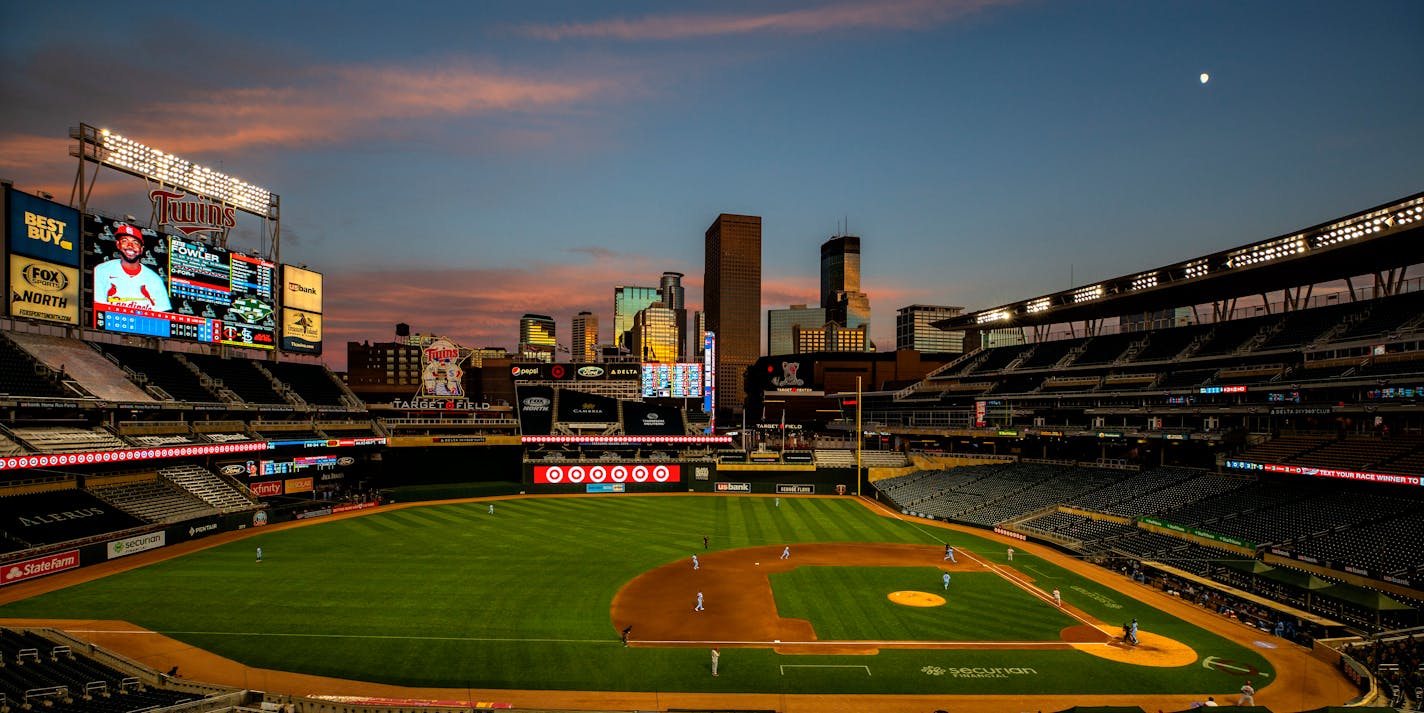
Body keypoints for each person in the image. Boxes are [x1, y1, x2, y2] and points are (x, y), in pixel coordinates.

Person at [93, 224, 172, 312]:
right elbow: (98, 311)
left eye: (135, 242)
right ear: (118, 244)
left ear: (141, 249)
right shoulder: (101, 270)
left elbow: (164, 316)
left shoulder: (155, 279)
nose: (130, 245)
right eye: (125, 241)